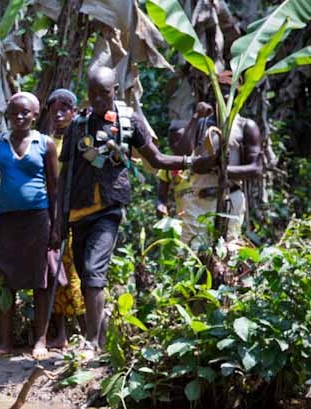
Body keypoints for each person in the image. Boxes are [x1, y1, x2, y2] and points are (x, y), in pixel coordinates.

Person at [58, 66, 214, 357]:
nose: (98, 99)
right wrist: (59, 222)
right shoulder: (78, 124)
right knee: (86, 274)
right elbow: (64, 175)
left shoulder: (129, 120)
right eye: (92, 94)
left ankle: (90, 343)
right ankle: (102, 344)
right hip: (78, 212)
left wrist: (191, 163)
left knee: (93, 271)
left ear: (115, 90)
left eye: (104, 93)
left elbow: (156, 159)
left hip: (109, 208)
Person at [0, 91, 59, 360]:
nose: (19, 117)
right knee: (5, 279)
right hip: (7, 219)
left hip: (38, 218)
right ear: (7, 116)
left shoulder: (45, 144)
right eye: (14, 112)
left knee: (40, 280)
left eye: (25, 112)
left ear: (35, 115)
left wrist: (56, 226)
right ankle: (5, 341)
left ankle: (40, 340)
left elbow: (54, 188)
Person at [170, 98, 263, 246]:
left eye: (229, 89)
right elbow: (182, 153)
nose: (225, 94)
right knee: (192, 251)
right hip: (198, 200)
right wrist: (196, 117)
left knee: (228, 249)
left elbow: (255, 169)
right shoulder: (201, 124)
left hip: (230, 199)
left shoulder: (245, 125)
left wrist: (218, 169)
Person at [44, 88, 86, 349]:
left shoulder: (82, 140)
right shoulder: (46, 142)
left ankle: (88, 331)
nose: (59, 114)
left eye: (65, 109)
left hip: (77, 214)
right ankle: (61, 333)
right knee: (55, 273)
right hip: (52, 216)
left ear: (74, 111)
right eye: (54, 110)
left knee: (77, 273)